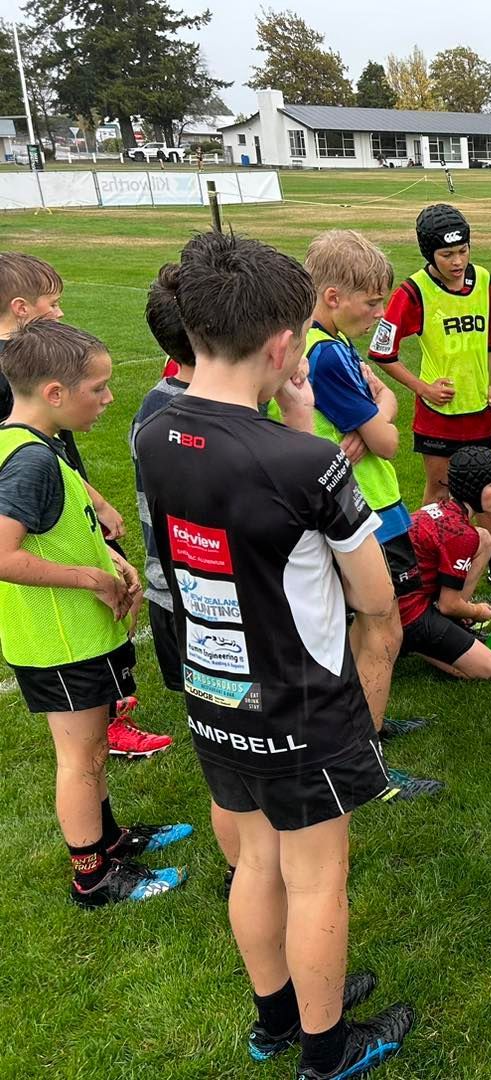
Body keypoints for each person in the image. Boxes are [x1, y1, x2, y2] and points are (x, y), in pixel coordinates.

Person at [135, 232, 413, 1078]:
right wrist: (308, 436)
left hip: (216, 693)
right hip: (301, 701)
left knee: (254, 859)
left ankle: (279, 1018)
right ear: (281, 344)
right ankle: (327, 1053)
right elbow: (372, 597)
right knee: (317, 876)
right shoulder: (308, 463)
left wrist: (294, 423)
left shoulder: (154, 426)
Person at [0, 319, 191, 906]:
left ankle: (108, 839)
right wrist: (88, 577)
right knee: (79, 757)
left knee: (93, 749)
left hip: (78, 636)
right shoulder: (27, 461)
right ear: (54, 392)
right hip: (60, 643)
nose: (110, 399)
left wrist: (107, 556)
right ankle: (93, 876)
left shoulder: (38, 443)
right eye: (99, 388)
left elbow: (54, 530)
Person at [0, 253, 160, 755]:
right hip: (57, 626)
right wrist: (91, 575)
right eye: (53, 304)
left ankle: (105, 710)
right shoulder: (27, 445)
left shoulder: (40, 433)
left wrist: (94, 506)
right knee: (79, 756)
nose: (62, 314)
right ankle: (103, 724)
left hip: (61, 501)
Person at [306, 229, 441, 801]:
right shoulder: (326, 353)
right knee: (381, 627)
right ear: (333, 295)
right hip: (362, 512)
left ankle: (370, 729)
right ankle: (367, 763)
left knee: (368, 628)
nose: (379, 313)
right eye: (371, 302)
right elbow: (386, 440)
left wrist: (375, 410)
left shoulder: (323, 341)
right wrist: (380, 410)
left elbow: (376, 412)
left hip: (359, 503)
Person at [130, 263, 242, 888]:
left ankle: (244, 859)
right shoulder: (200, 422)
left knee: (220, 739)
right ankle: (243, 868)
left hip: (177, 597)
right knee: (226, 745)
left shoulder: (157, 403)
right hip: (204, 605)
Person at [368, 205, 491, 589]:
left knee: (489, 489)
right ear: (429, 254)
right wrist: (423, 388)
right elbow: (382, 352)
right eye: (447, 254)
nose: (458, 261)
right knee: (440, 489)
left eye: (463, 250)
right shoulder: (413, 291)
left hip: (479, 411)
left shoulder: (484, 281)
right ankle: (426, 563)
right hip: (438, 415)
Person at [399, 446, 491, 681]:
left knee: (484, 538)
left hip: (402, 595)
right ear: (473, 489)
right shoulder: (460, 534)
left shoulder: (442, 507)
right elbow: (448, 604)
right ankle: (409, 643)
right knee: (489, 669)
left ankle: (445, 626)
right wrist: (477, 612)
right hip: (408, 614)